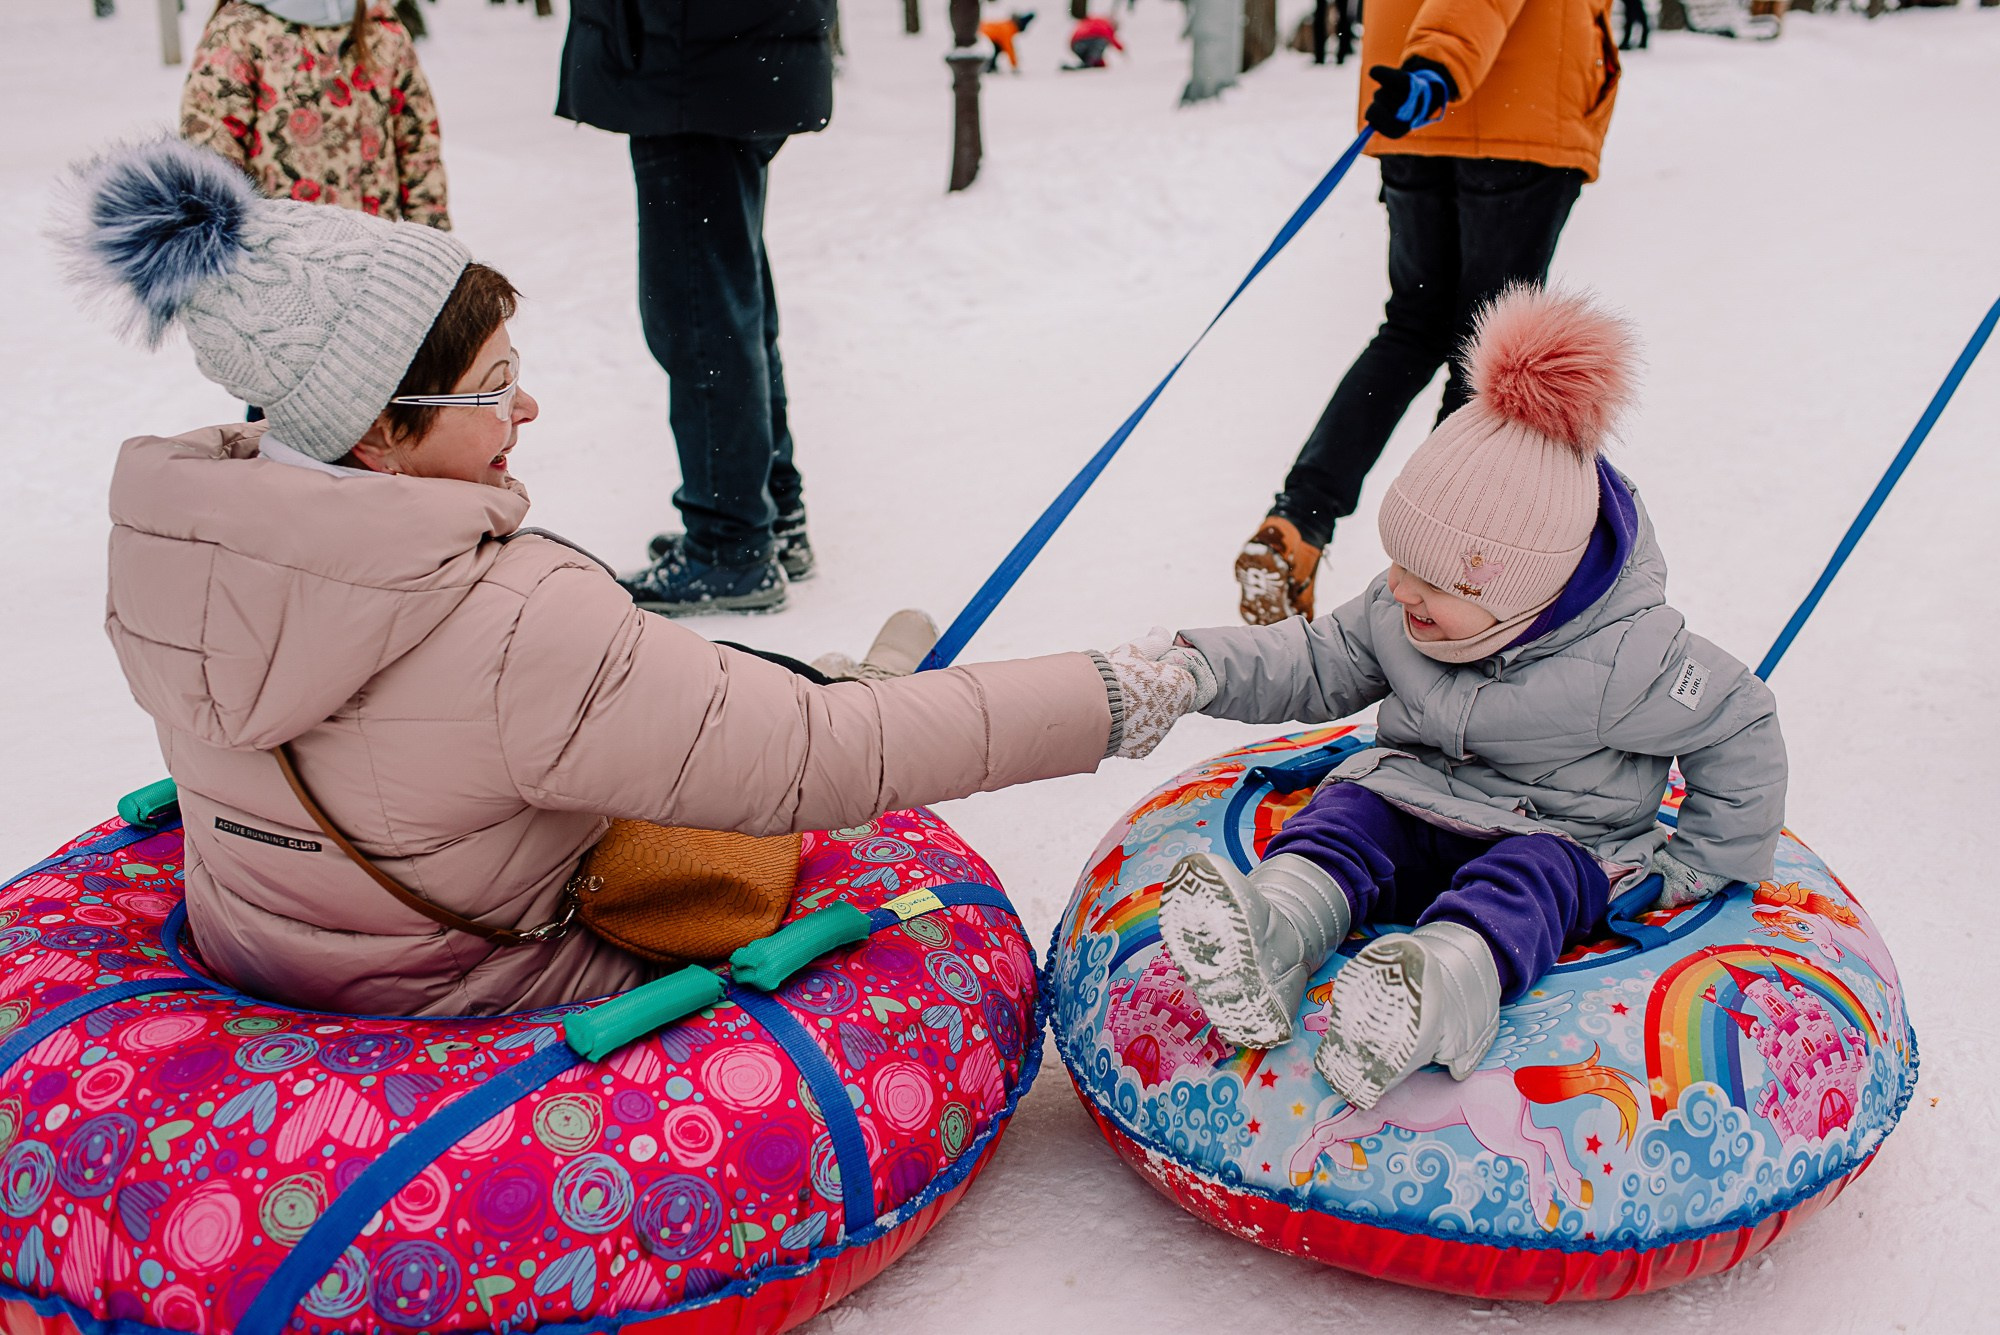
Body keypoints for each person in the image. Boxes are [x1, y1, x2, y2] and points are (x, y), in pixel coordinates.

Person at [61, 139, 1200, 1017]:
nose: (525, 408)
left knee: (692, 696)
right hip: (469, 990)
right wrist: (1116, 692)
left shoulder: (181, 548)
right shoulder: (511, 621)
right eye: (491, 386)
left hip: (268, 937)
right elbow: (822, 758)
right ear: (377, 436)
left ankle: (836, 672)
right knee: (764, 769)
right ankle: (854, 678)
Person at [1151, 288, 1786, 1109]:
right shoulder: (1402, 604)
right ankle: (1274, 933)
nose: (1401, 592)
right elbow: (1313, 659)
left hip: (1560, 830)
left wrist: (1703, 864)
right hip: (1414, 796)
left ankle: (1440, 991)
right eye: (1399, 562)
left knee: (1528, 882)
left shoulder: (1630, 655)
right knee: (1346, 820)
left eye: (1432, 581)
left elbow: (1742, 720)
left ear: (1527, 589)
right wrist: (1196, 668)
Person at [1236, 0, 1622, 625]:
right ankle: (1437, 569)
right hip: (1503, 110)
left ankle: (1300, 519)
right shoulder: (1448, 71)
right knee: (1487, 352)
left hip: (1415, 117)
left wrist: (1425, 75)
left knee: (1412, 329)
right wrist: (1438, 67)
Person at [556, 2, 833, 614]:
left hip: (691, 59)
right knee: (730, 291)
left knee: (699, 311)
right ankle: (768, 512)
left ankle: (730, 545)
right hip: (727, 54)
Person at [179, 1, 448, 227]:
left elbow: (418, 141)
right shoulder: (241, 32)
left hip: (374, 258)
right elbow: (211, 151)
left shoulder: (379, 27)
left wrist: (430, 242)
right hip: (282, 262)